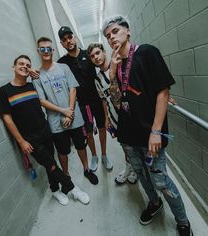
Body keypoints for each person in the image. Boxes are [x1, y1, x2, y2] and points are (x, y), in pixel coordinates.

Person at [102, 16, 193, 235]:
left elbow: (163, 91)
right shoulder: (115, 64)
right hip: (128, 133)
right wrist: (112, 75)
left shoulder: (147, 52)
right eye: (107, 36)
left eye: (115, 31)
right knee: (142, 174)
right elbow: (116, 101)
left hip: (150, 132)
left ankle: (183, 221)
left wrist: (156, 131)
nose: (111, 37)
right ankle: (154, 203)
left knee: (160, 180)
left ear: (128, 30)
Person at [0, 55, 90, 206]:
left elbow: (42, 88)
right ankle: (73, 189)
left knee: (50, 163)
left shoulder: (32, 86)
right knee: (51, 164)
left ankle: (54, 190)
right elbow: (7, 118)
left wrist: (33, 71)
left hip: (45, 131)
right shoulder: (4, 91)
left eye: (28, 64)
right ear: (13, 67)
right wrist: (21, 141)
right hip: (30, 138)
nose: (24, 66)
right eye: (20, 63)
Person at [32, 37, 98, 186]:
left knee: (81, 145)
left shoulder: (64, 67)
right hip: (56, 121)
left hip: (74, 116)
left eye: (49, 48)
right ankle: (66, 176)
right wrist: (64, 111)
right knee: (62, 151)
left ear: (53, 50)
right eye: (42, 49)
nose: (46, 51)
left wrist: (71, 111)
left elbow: (73, 89)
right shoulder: (37, 76)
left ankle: (87, 169)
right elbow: (42, 101)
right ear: (38, 51)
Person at [57, 26, 113, 172]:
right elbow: (50, 70)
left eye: (70, 37)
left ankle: (104, 155)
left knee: (101, 128)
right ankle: (94, 155)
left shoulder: (88, 55)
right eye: (64, 40)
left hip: (97, 99)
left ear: (74, 37)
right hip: (81, 105)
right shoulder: (61, 63)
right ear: (62, 43)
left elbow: (101, 64)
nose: (68, 41)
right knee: (88, 132)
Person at [87, 42, 137, 185]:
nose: (96, 57)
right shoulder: (97, 80)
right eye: (92, 56)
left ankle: (136, 169)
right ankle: (129, 167)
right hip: (115, 117)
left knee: (136, 144)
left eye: (97, 53)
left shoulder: (119, 65)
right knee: (124, 144)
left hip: (130, 114)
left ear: (103, 52)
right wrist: (107, 119)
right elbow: (104, 100)